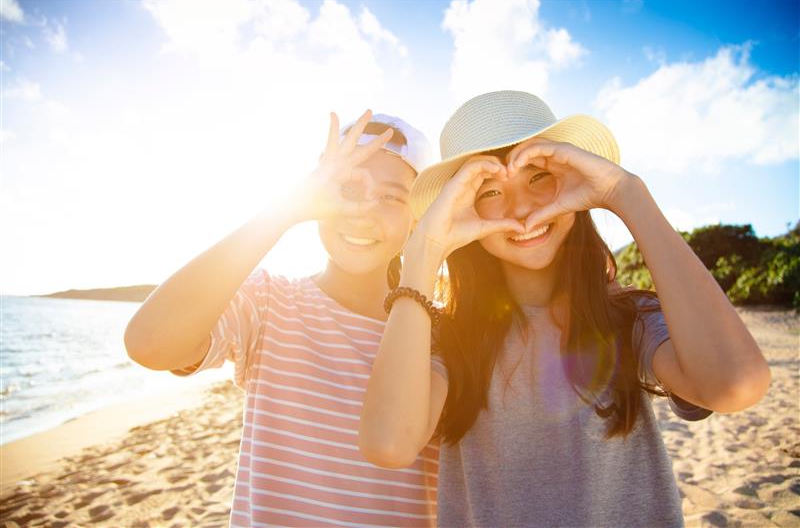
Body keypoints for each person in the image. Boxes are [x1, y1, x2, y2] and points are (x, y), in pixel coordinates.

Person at [359, 91, 771, 527]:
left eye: (538, 178)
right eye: (490, 191)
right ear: (463, 209)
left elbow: (736, 385)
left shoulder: (628, 319)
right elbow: (388, 445)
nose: (521, 210)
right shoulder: (448, 336)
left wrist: (625, 192)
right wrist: (426, 249)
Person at [125, 110, 443, 527]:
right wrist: (285, 211)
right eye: (347, 187)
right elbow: (150, 344)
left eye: (391, 197)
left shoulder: (439, 334)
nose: (362, 210)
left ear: (417, 216)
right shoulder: (269, 301)